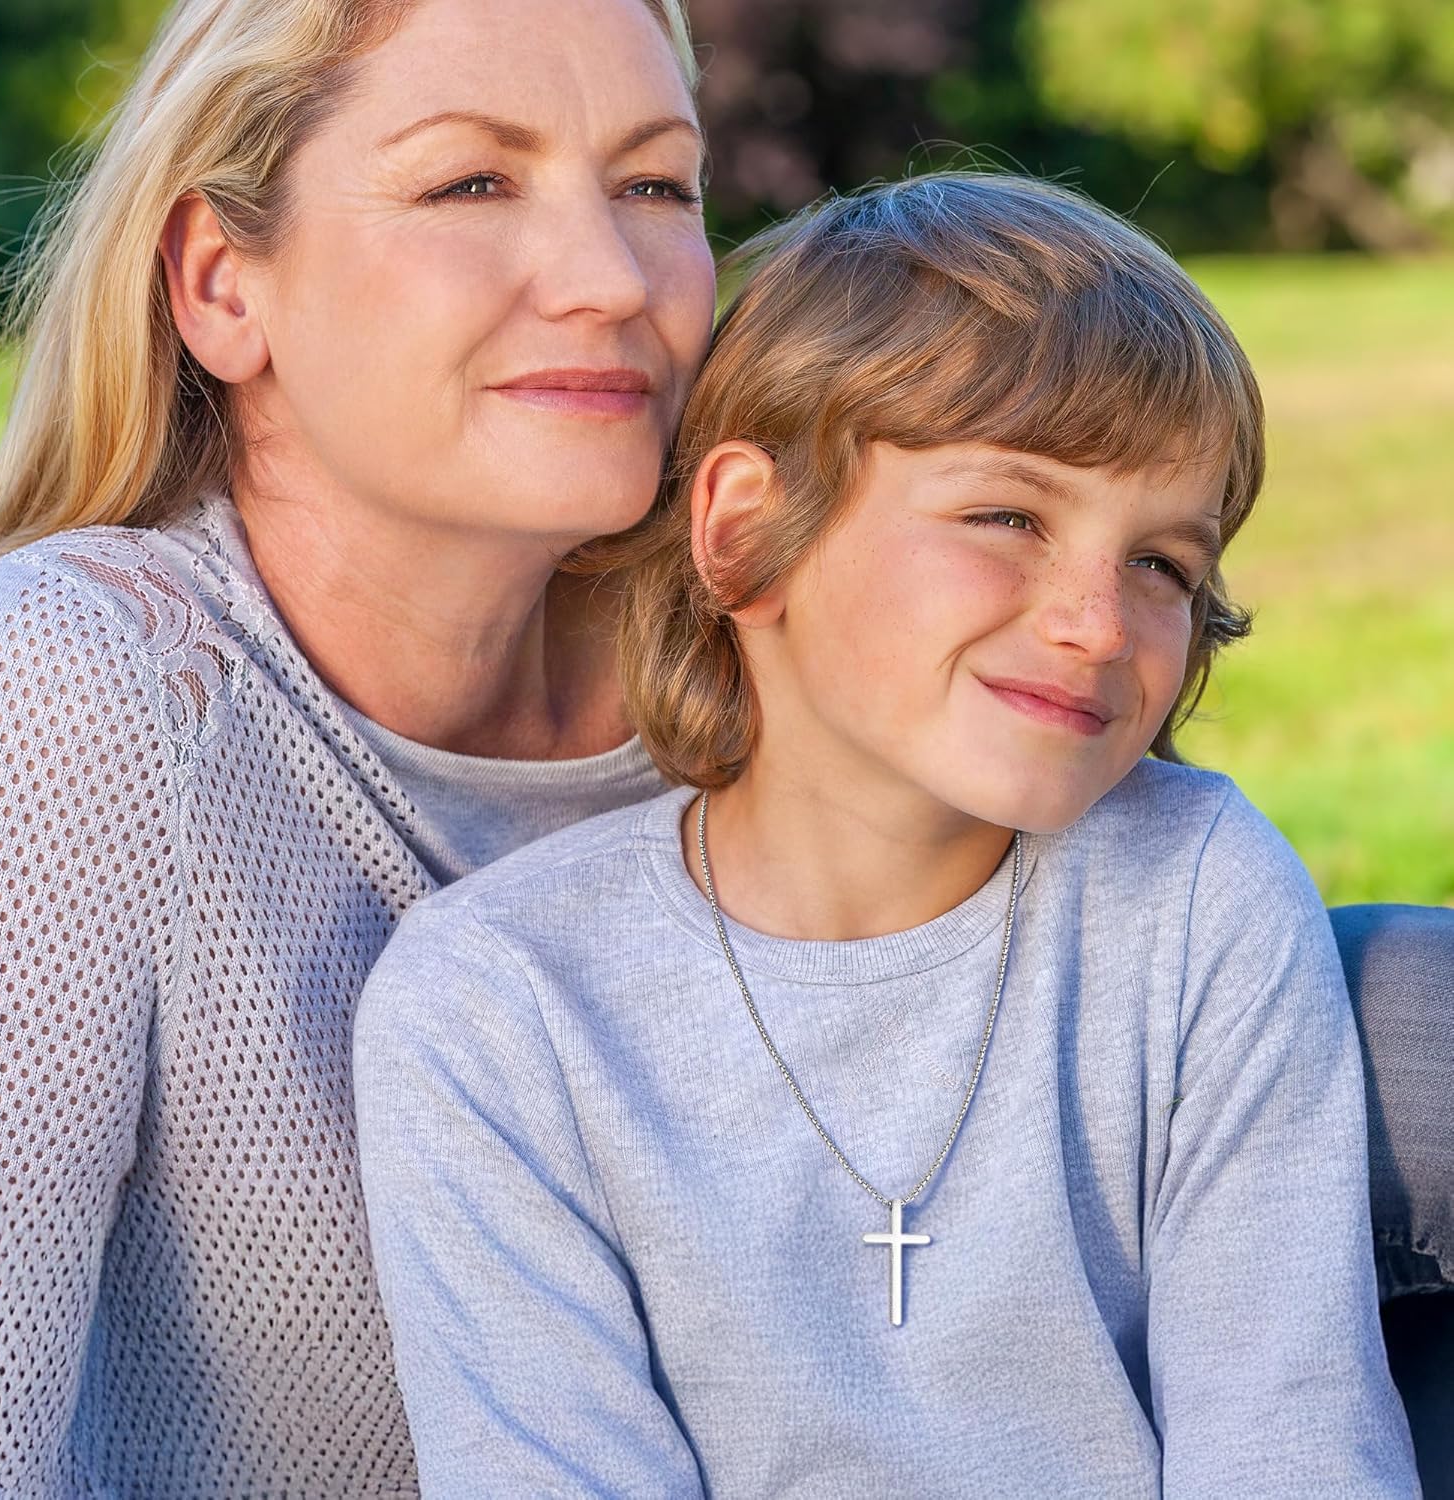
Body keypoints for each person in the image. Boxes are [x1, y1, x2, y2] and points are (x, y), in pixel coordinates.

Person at [354, 173, 1422, 1496]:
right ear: (747, 534)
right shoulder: (498, 1007)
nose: (1098, 623)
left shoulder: (1192, 889)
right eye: (1008, 518)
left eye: (1163, 566)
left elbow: (1287, 1430)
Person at [0, 0, 714, 1492]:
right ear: (224, 285)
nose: (610, 279)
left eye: (657, 185)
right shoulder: (86, 693)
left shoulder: (765, 686)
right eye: (470, 184)